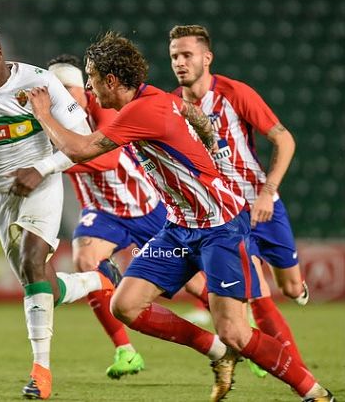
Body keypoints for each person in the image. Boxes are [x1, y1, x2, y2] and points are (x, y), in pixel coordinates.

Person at [27, 32, 334, 402]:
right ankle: (218, 351)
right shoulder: (155, 97)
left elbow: (79, 150)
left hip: (219, 228)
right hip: (179, 230)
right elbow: (194, 114)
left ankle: (314, 392)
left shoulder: (140, 111)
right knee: (125, 305)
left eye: (92, 80)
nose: (90, 91)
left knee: (236, 329)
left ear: (111, 80)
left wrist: (43, 114)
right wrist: (212, 146)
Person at [0, 17, 120, 400]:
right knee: (43, 286)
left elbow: (84, 141)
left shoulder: (41, 83)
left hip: (42, 186)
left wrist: (42, 168)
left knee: (34, 261)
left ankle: (41, 373)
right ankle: (98, 280)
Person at [169, 24, 313, 378]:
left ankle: (295, 291)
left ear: (207, 57)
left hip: (264, 204)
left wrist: (267, 192)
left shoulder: (235, 93)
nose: (180, 63)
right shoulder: (173, 105)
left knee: (290, 288)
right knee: (259, 295)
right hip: (226, 215)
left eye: (187, 55)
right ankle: (299, 375)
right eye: (174, 56)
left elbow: (285, 140)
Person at [48, 54, 167, 379]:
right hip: (102, 212)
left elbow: (108, 160)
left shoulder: (102, 108)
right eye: (55, 89)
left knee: (198, 284)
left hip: (146, 207)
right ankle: (126, 351)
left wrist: (50, 163)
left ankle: (241, 335)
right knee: (85, 259)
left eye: (68, 88)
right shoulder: (52, 120)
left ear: (81, 90)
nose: (63, 96)